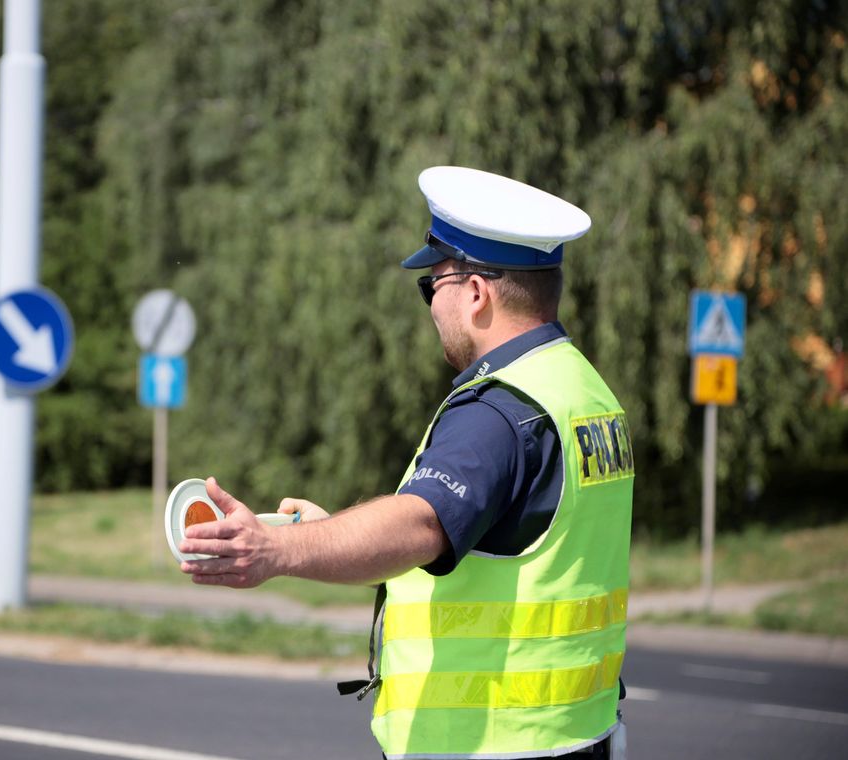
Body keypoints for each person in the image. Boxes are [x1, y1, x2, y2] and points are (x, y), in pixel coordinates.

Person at [178, 166, 634, 759]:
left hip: (486, 746)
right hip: (576, 736)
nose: (430, 307)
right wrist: (325, 533)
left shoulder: (497, 412)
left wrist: (274, 549)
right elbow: (499, 548)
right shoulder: (584, 393)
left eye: (432, 286)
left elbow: (422, 523)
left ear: (476, 293)